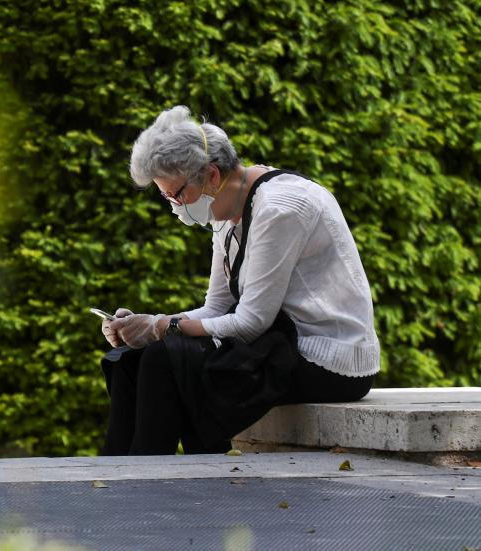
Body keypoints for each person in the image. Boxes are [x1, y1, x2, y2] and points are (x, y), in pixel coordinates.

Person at [99, 106, 380, 456]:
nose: (173, 206)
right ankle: (116, 476)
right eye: (165, 196)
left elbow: (250, 323)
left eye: (176, 194)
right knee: (134, 358)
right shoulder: (225, 212)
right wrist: (142, 328)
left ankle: (152, 485)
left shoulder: (280, 209)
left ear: (212, 176)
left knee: (164, 359)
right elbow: (216, 307)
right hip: (277, 344)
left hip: (328, 358)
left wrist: (161, 327)